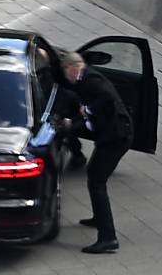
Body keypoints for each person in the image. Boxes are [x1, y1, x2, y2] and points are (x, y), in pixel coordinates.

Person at [59, 52, 133, 254]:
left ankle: (108, 237)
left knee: (97, 182)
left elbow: (101, 103)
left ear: (72, 68)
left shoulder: (93, 83)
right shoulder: (87, 78)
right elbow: (90, 114)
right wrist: (75, 122)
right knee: (94, 175)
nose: (67, 78)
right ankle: (98, 218)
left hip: (116, 138)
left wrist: (79, 119)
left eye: (66, 73)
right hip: (111, 135)